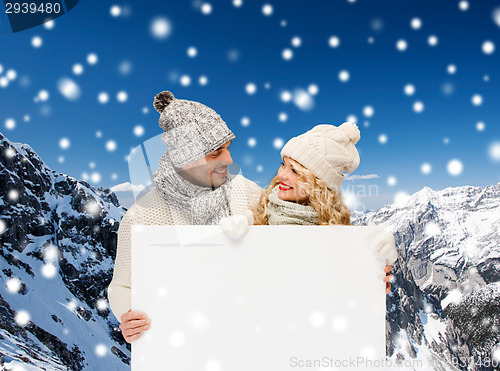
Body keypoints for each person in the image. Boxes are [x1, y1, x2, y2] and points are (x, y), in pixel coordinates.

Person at [107, 91, 263, 343]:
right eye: (215, 153)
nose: (229, 160)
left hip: (244, 340)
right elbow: (121, 287)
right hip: (185, 347)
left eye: (227, 148)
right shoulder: (142, 216)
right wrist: (129, 317)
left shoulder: (249, 193)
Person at [251, 122, 396, 290]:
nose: (281, 174)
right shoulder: (257, 213)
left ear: (318, 185)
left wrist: (373, 272)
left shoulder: (339, 238)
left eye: (295, 171)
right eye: (283, 164)